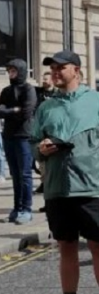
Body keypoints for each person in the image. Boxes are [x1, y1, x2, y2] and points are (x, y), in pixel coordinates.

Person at [32, 51, 99, 294]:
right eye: (53, 68)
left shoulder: (97, 101)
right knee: (66, 248)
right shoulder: (45, 107)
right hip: (58, 188)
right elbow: (33, 142)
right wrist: (40, 149)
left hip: (92, 186)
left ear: (77, 70)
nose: (55, 72)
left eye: (62, 68)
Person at [0, 58, 37, 224]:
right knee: (14, 175)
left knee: (25, 174)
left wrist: (9, 111)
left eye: (13, 71)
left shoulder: (29, 89)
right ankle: (16, 208)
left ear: (21, 71)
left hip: (24, 135)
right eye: (9, 71)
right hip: (8, 135)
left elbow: (26, 113)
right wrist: (13, 110)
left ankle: (27, 209)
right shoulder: (6, 91)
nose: (11, 74)